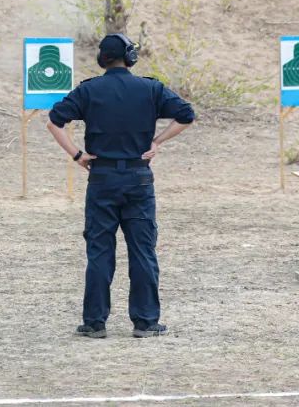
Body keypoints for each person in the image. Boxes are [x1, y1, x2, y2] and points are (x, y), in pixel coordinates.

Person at [46, 33, 195, 338]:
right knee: (142, 251)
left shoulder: (89, 90)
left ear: (103, 59)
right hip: (139, 178)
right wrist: (157, 141)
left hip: (102, 177)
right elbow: (186, 115)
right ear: (130, 57)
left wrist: (77, 155)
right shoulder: (150, 88)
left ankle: (95, 322)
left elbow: (54, 122)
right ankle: (145, 322)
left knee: (100, 252)